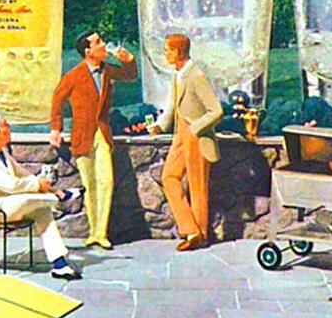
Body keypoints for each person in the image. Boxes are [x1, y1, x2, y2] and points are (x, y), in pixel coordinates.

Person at [49, 31, 137, 250]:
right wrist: (56, 129)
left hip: (103, 133)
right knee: (89, 184)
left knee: (106, 181)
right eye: (98, 42)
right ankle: (93, 231)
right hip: (82, 135)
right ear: (88, 51)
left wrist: (129, 60)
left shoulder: (107, 70)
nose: (104, 45)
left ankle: (101, 232)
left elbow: (130, 76)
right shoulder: (74, 75)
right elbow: (57, 100)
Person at [0, 113, 81, 280]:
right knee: (24, 199)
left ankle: (59, 264)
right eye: (6, 127)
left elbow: (22, 173)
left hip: (9, 205)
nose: (10, 129)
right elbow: (11, 185)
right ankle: (61, 199)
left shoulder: (1, 152)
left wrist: (50, 189)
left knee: (42, 210)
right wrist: (38, 185)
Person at [148, 33, 222, 251]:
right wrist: (160, 125)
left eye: (167, 50)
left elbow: (216, 111)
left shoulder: (196, 76)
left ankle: (200, 235)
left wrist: (195, 128)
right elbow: (172, 105)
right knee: (169, 177)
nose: (165, 54)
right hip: (180, 134)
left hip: (196, 136)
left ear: (178, 52)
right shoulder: (177, 75)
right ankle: (190, 229)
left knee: (198, 187)